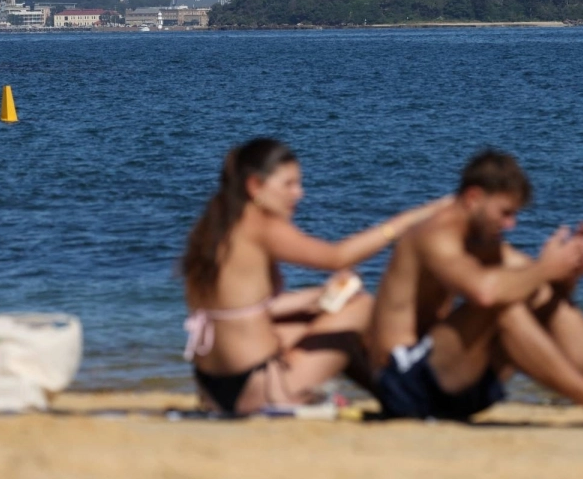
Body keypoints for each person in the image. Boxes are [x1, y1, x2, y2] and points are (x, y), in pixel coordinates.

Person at [369, 149, 583, 429]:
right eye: (505, 213)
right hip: (405, 383)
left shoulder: (485, 241)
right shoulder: (435, 233)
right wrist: (545, 268)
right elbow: (484, 293)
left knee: (538, 298)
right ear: (474, 198)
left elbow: (545, 296)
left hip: (455, 385)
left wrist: (569, 270)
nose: (511, 224)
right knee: (503, 304)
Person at [180, 138, 448, 416]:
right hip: (259, 388)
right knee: (359, 307)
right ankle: (404, 395)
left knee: (317, 316)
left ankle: (397, 396)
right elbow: (336, 257)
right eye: (289, 184)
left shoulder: (213, 227)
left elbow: (240, 309)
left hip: (212, 387)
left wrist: (315, 298)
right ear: (255, 186)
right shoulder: (260, 225)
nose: (299, 194)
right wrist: (407, 221)